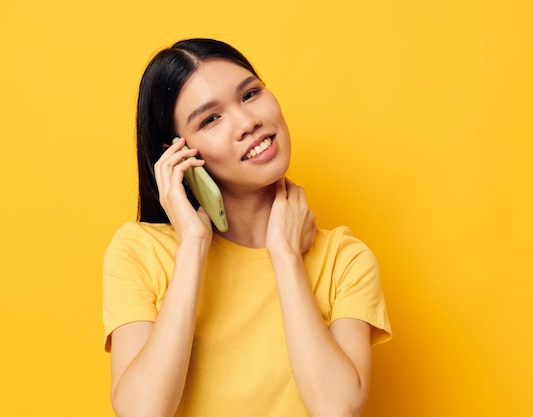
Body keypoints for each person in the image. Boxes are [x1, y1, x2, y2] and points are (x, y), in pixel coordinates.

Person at [102, 38, 392, 417]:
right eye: (211, 118)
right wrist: (193, 244)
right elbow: (142, 411)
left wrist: (286, 257)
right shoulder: (140, 251)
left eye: (251, 93)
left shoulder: (345, 259)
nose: (247, 122)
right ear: (178, 153)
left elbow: (336, 408)